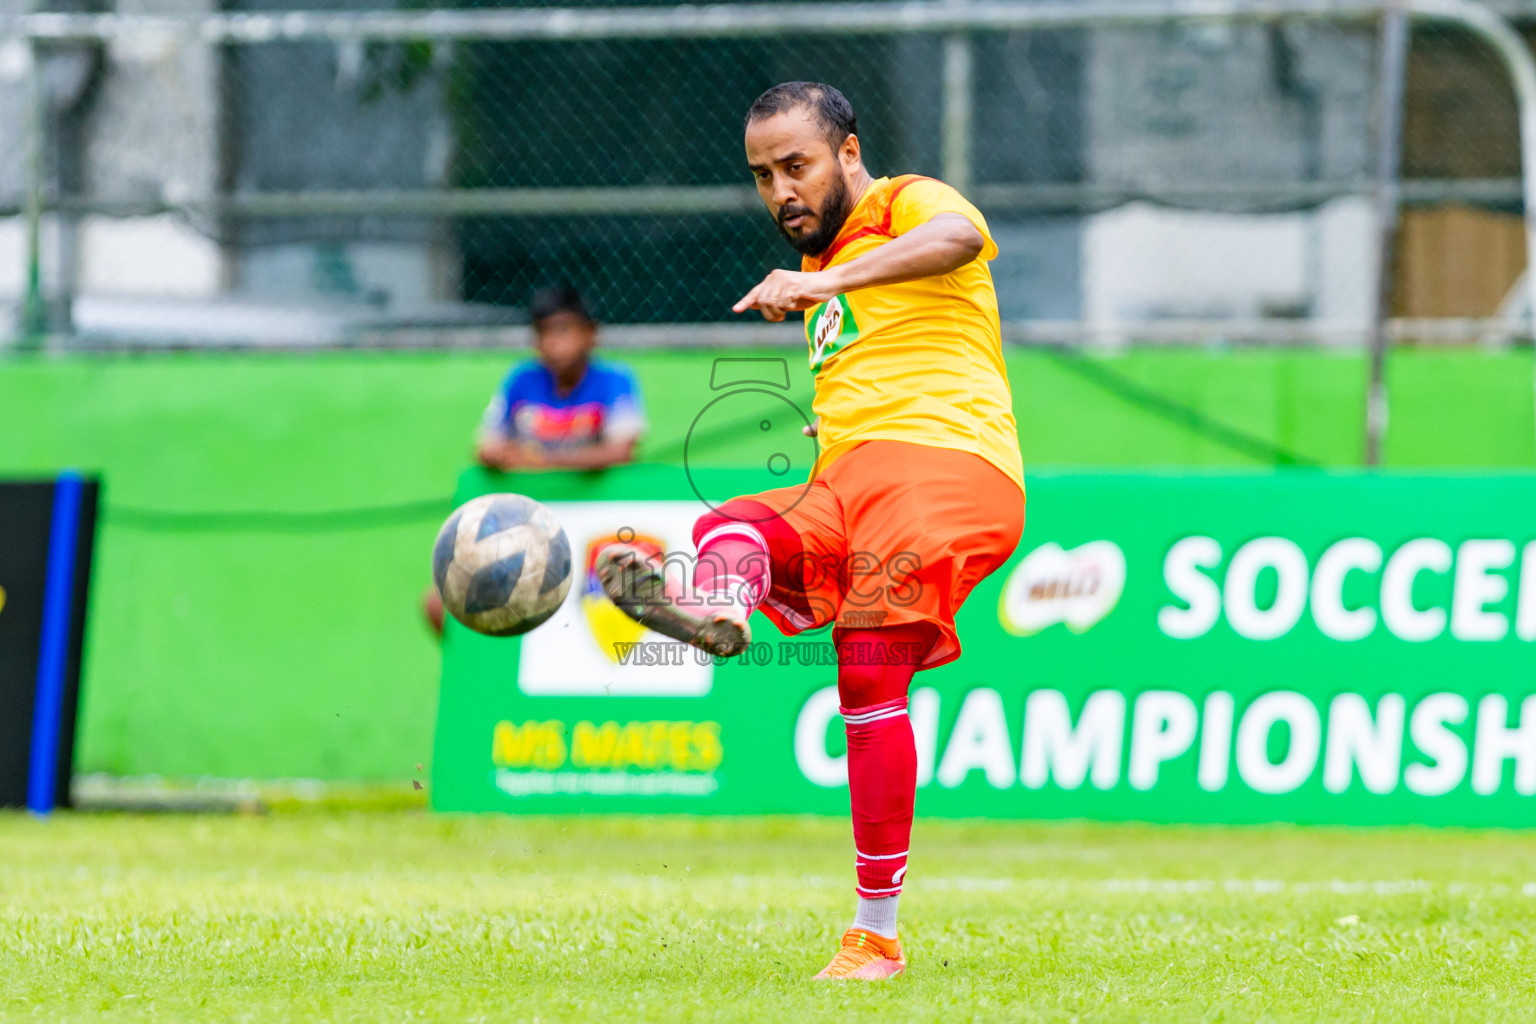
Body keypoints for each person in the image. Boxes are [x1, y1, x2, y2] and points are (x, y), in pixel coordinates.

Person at [596, 82, 1024, 980]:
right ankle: (721, 614)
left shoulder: (906, 205)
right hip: (853, 473)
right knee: (735, 522)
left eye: (797, 165)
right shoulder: (829, 287)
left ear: (850, 153)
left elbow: (963, 239)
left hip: (950, 466)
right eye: (763, 175)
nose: (781, 190)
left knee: (868, 658)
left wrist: (823, 279)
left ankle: (874, 935)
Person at [422, 285, 645, 634]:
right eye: (543, 333)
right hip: (524, 529)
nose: (554, 344)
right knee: (438, 605)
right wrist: (503, 455)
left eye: (564, 331)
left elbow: (622, 451)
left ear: (591, 333)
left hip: (598, 527)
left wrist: (537, 460)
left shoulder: (614, 381)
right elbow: (487, 447)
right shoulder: (521, 381)